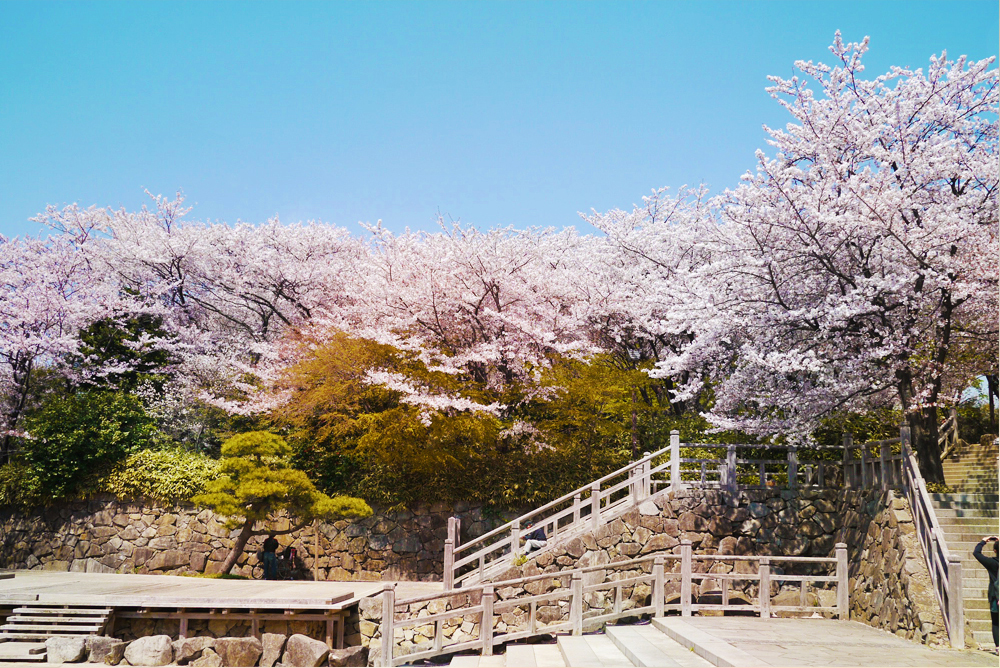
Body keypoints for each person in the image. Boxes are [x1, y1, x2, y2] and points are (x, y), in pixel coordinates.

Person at [973, 535, 998, 654]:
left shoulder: (991, 563)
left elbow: (976, 553)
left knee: (996, 622)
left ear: (995, 551)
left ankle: (998, 647)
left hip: (995, 595)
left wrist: (983, 541)